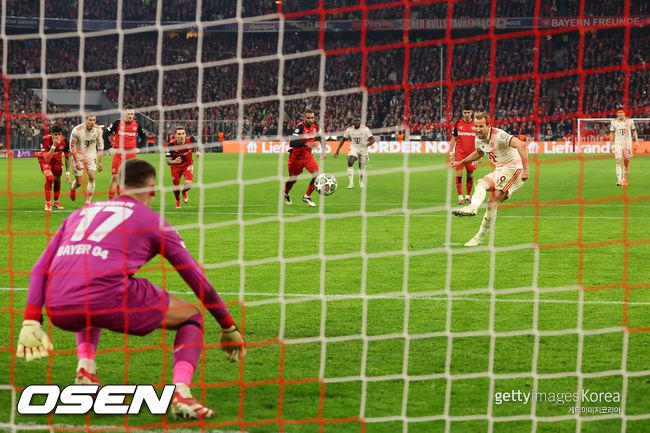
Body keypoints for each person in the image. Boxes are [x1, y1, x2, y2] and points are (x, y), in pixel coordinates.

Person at [16, 159, 245, 419]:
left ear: (117, 186)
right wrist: (228, 327)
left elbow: (39, 269)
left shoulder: (79, 214)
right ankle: (181, 393)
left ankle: (86, 372)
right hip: (107, 298)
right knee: (190, 317)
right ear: (152, 190)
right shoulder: (153, 221)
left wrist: (31, 320)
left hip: (58, 305)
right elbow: (196, 278)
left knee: (89, 287)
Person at [450, 112, 529, 247]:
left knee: (493, 202)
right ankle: (472, 208)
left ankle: (479, 237)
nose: (478, 129)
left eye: (481, 126)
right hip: (500, 169)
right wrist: (461, 162)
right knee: (480, 184)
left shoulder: (499, 135)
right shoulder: (478, 139)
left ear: (488, 126)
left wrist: (526, 170)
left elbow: (521, 145)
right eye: (476, 126)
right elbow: (479, 153)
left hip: (514, 169)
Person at [283, 109, 325, 207]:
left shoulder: (316, 126)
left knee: (317, 175)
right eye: (308, 118)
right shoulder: (300, 127)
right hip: (296, 158)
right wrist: (306, 143)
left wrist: (323, 152)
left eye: (312, 118)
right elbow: (292, 142)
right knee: (293, 180)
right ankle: (286, 193)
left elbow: (321, 137)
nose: (311, 120)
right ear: (304, 118)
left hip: (308, 156)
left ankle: (307, 196)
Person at [103, 105, 147, 200]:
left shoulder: (137, 124)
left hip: (131, 154)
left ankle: (125, 198)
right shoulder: (117, 123)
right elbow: (105, 134)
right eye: (128, 114)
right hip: (119, 153)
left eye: (132, 114)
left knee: (129, 178)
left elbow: (144, 137)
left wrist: (139, 148)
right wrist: (109, 148)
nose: (131, 116)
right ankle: (111, 200)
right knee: (115, 177)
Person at [69, 114, 104, 204]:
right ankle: (73, 188)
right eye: (90, 120)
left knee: (92, 177)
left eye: (94, 120)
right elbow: (72, 147)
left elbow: (100, 146)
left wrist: (100, 162)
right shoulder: (76, 131)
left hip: (91, 155)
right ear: (85, 120)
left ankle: (88, 202)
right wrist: (76, 161)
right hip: (78, 155)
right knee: (79, 183)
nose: (92, 122)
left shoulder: (98, 130)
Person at [38, 125, 73, 212]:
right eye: (55, 134)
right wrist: (54, 146)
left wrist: (67, 173)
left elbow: (67, 158)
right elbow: (47, 158)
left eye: (59, 134)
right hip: (45, 161)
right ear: (51, 134)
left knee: (57, 181)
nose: (58, 137)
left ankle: (56, 202)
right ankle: (47, 202)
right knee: (50, 178)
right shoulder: (45, 140)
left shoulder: (65, 141)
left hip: (57, 162)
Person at [334, 118, 375, 189]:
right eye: (355, 121)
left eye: (358, 121)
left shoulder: (365, 129)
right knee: (350, 161)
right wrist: (337, 150)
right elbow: (343, 139)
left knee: (361, 167)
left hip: (363, 149)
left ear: (360, 122)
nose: (357, 122)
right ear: (353, 122)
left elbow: (373, 139)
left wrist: (367, 145)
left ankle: (361, 182)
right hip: (354, 148)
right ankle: (351, 183)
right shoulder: (349, 129)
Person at [449, 105, 477, 204]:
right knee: (459, 174)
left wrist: (480, 154)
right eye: (465, 112)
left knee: (470, 174)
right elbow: (453, 138)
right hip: (459, 154)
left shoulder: (476, 124)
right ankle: (460, 197)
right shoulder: (458, 124)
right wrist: (451, 153)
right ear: (462, 113)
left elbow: (481, 139)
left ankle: (468, 196)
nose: (466, 114)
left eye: (468, 112)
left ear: (472, 113)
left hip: (472, 154)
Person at [165, 126, 199, 208]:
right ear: (175, 136)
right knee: (176, 187)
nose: (181, 136)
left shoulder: (191, 140)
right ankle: (178, 200)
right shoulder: (170, 145)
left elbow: (198, 144)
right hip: (175, 167)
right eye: (179, 134)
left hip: (188, 165)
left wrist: (198, 151)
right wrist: (174, 161)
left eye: (183, 133)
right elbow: (168, 161)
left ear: (185, 134)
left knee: (188, 184)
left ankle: (184, 192)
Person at [610, 108, 639, 186]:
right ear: (617, 114)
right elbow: (612, 133)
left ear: (624, 113)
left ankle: (625, 180)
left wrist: (637, 141)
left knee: (626, 162)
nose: (620, 114)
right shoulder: (613, 122)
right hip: (618, 144)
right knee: (618, 160)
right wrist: (611, 145)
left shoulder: (630, 121)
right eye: (618, 112)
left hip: (627, 145)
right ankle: (619, 180)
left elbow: (634, 131)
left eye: (621, 112)